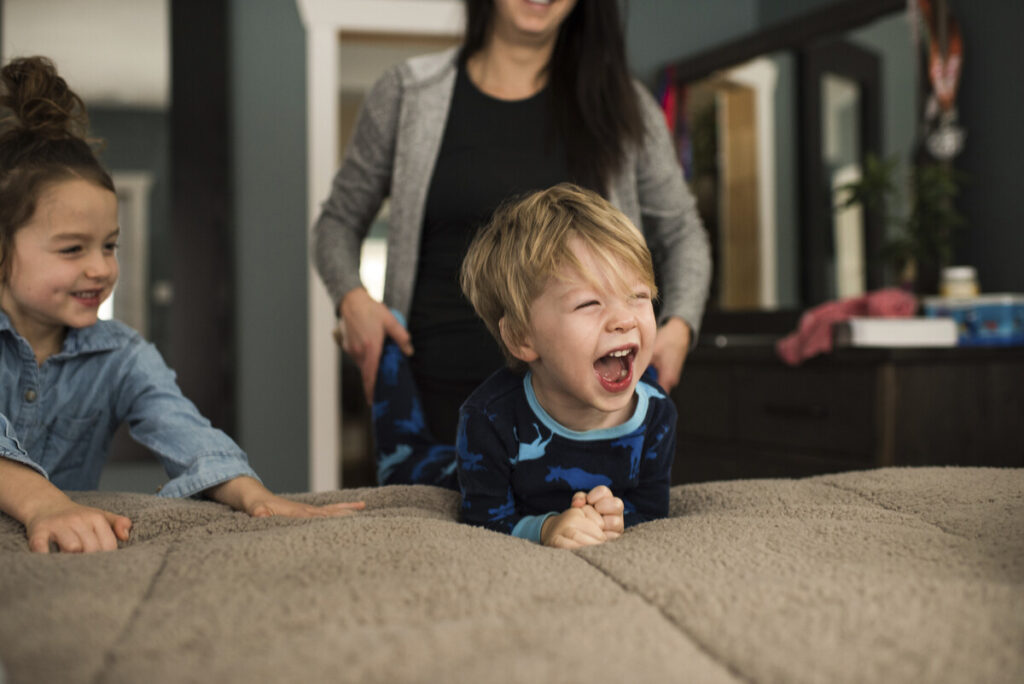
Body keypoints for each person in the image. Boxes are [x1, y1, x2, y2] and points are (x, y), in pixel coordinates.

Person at [312, 0, 710, 478]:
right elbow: (336, 222)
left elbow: (683, 232)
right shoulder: (407, 93)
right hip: (435, 406)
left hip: (583, 421)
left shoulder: (625, 107)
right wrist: (352, 302)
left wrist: (679, 328)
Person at [0, 56, 364, 554]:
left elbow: (183, 428)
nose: (101, 268)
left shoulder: (121, 355)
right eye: (72, 249)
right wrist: (45, 504)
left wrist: (253, 496)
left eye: (109, 245)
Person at [376, 183, 675, 548]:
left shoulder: (658, 413)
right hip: (448, 469)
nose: (623, 320)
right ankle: (388, 345)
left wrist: (617, 518)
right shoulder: (486, 419)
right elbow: (485, 520)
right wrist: (546, 528)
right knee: (402, 458)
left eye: (638, 296)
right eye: (589, 303)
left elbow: (651, 509)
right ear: (522, 338)